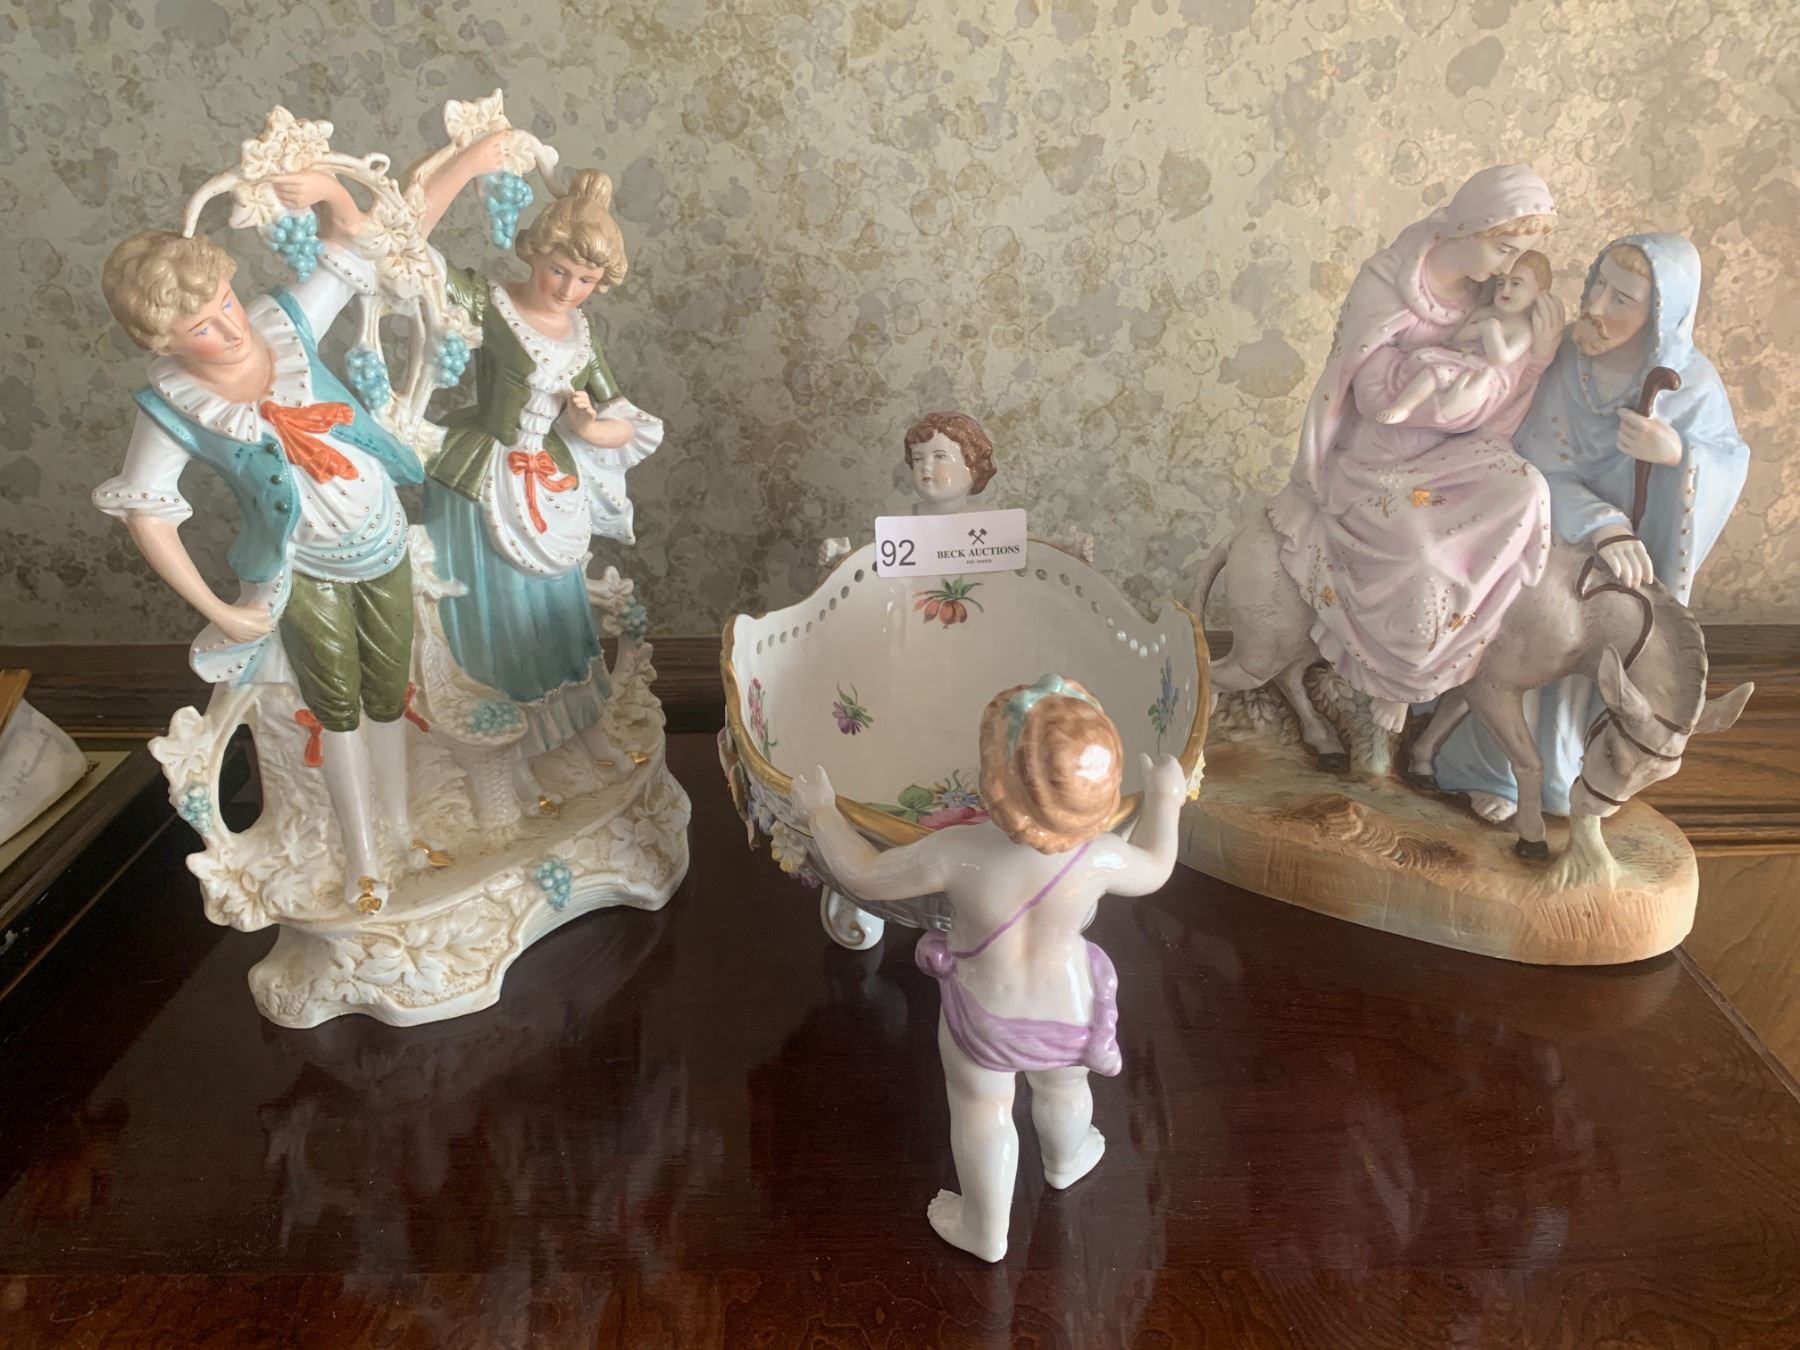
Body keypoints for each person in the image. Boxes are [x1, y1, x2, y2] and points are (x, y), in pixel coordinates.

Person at [95, 172, 432, 913]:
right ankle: (364, 858)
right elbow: (148, 513)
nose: (228, 327)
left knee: (387, 693)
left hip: (382, 537)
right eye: (202, 328)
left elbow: (355, 246)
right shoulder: (172, 406)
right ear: (164, 342)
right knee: (336, 707)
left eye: (224, 302)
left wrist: (328, 189)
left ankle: (404, 831)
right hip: (304, 566)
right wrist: (220, 609)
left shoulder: (281, 321)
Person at [791, 675, 1183, 1262]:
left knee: (983, 1111)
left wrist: (823, 814)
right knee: (1065, 1086)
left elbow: (865, 876)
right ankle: (1067, 1159)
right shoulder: (1101, 855)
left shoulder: (959, 853)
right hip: (1071, 1006)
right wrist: (1165, 799)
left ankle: (984, 1228)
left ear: (992, 783)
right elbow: (1156, 866)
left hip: (983, 1012)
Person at [1430, 234, 1751, 820]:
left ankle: (1581, 771)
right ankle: (1489, 769)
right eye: (1598, 284)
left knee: (1611, 644)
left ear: (1661, 314)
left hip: (1631, 561)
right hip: (1556, 531)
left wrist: (1677, 454)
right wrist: (1603, 524)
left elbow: (1729, 461)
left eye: (1621, 299)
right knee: (1527, 634)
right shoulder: (1567, 361)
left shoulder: (1690, 385)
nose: (1596, 306)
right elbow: (1534, 456)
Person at [1268, 165, 1565, 736]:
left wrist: (1536, 357)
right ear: (1470, 227)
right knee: (1425, 558)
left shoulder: (1489, 292)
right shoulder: (1387, 284)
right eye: (1503, 249)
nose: (1507, 269)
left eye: (1516, 256)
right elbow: (1373, 394)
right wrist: (1461, 388)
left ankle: (1477, 641)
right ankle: (1401, 678)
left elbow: (1500, 392)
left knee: (1527, 488)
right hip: (1379, 458)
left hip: (1452, 450)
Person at [418, 143, 664, 778]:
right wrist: (467, 164)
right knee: (497, 615)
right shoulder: (489, 302)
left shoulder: (582, 334)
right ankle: (505, 749)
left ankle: (581, 731)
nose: (570, 290)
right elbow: (409, 249)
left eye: (586, 282)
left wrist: (589, 426)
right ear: (533, 252)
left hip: (549, 483)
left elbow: (626, 417)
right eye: (560, 271)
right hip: (482, 477)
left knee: (561, 615)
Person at [1376, 251, 1553, 426]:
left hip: (1479, 372)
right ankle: (1402, 405)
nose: (1505, 290)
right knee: (1427, 368)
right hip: (1458, 358)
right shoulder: (1485, 312)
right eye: (1500, 283)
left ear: (1539, 292)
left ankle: (1407, 409)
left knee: (1435, 373)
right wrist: (1481, 328)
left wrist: (1490, 330)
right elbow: (1459, 337)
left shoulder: (1523, 330)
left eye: (1516, 284)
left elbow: (1499, 359)